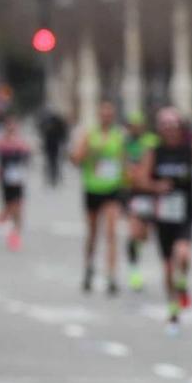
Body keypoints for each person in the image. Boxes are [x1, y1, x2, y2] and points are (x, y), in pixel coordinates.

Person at [133, 108, 192, 338]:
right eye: (166, 128)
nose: (170, 132)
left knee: (183, 254)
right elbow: (140, 179)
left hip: (184, 213)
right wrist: (156, 187)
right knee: (168, 266)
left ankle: (183, 283)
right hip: (163, 217)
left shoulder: (190, 150)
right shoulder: (155, 152)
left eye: (174, 127)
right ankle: (173, 310)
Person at [71, 100, 129, 295]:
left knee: (112, 232)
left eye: (109, 114)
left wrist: (127, 183)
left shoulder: (118, 135)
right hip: (93, 188)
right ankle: (89, 267)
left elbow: (124, 162)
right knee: (93, 232)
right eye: (103, 114)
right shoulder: (89, 134)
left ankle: (111, 275)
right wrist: (89, 152)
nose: (106, 117)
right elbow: (76, 159)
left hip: (112, 189)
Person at [121, 111, 157, 291]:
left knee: (144, 234)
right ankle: (134, 269)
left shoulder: (151, 141)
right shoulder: (125, 143)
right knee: (134, 231)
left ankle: (137, 251)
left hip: (150, 193)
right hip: (133, 193)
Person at [0, 117, 33, 251]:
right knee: (9, 206)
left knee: (19, 207)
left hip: (18, 180)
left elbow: (28, 155)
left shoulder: (21, 143)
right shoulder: (1, 143)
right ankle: (4, 215)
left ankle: (15, 233)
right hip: (6, 180)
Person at [39, 108, 69, 188]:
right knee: (52, 162)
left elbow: (62, 132)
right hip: (51, 144)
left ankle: (54, 177)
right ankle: (52, 177)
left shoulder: (51, 122)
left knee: (53, 162)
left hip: (53, 144)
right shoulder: (49, 122)